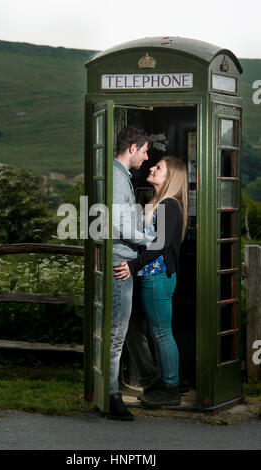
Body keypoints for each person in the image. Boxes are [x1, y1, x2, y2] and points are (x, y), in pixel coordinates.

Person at [114, 156, 188, 407]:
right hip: (149, 276)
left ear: (170, 178)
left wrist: (132, 266)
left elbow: (159, 245)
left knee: (161, 333)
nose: (152, 168)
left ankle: (170, 389)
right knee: (147, 331)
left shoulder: (169, 205)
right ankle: (161, 380)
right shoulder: (155, 202)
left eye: (159, 168)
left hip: (157, 277)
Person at [105, 126, 155, 421]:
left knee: (123, 330)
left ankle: (118, 388)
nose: (147, 157)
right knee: (115, 334)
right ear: (132, 148)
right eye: (145, 150)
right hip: (118, 265)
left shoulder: (120, 176)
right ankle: (112, 397)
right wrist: (152, 239)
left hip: (121, 262)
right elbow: (121, 226)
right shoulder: (117, 178)